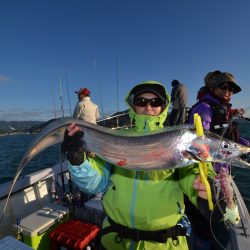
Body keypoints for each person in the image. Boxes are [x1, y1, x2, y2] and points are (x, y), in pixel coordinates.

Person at [61, 80, 216, 250]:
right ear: (132, 106)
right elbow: (96, 184)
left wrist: (205, 190)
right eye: (141, 102)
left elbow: (195, 175)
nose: (148, 107)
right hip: (115, 240)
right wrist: (78, 161)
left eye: (156, 102)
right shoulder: (116, 138)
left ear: (164, 107)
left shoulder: (179, 141)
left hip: (165, 245)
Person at [187, 70, 246, 249]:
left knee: (215, 217)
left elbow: (228, 139)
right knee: (204, 219)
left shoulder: (222, 108)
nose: (228, 91)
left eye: (232, 89)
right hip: (207, 173)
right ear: (212, 87)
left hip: (221, 170)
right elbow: (200, 141)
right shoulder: (204, 108)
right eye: (223, 86)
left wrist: (245, 147)